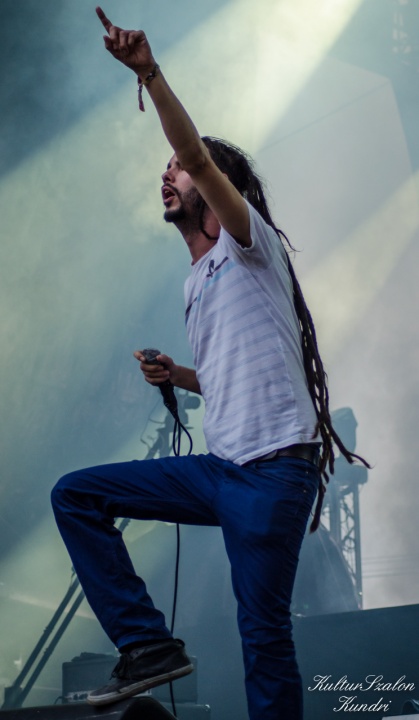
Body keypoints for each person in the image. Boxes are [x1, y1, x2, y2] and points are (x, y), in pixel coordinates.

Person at [51, 7, 368, 719]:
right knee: (76, 495)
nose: (168, 177)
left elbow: (196, 155)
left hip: (273, 473)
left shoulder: (248, 243)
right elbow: (230, 374)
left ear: (216, 183)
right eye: (166, 170)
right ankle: (148, 646)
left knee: (262, 634)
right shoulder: (197, 281)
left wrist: (149, 75)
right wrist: (180, 377)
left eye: (178, 170)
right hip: (220, 471)